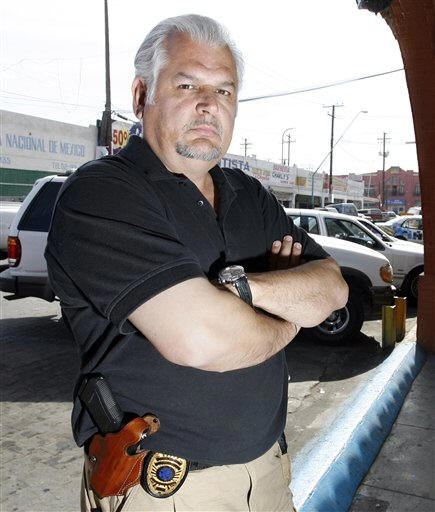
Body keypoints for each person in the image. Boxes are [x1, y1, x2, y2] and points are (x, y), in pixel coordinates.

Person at [45, 14, 348, 512]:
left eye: (224, 91)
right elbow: (203, 340)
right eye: (187, 85)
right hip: (165, 488)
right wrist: (291, 315)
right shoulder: (102, 194)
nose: (209, 105)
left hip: (270, 474)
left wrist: (243, 291)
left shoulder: (250, 195)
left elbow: (332, 288)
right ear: (141, 95)